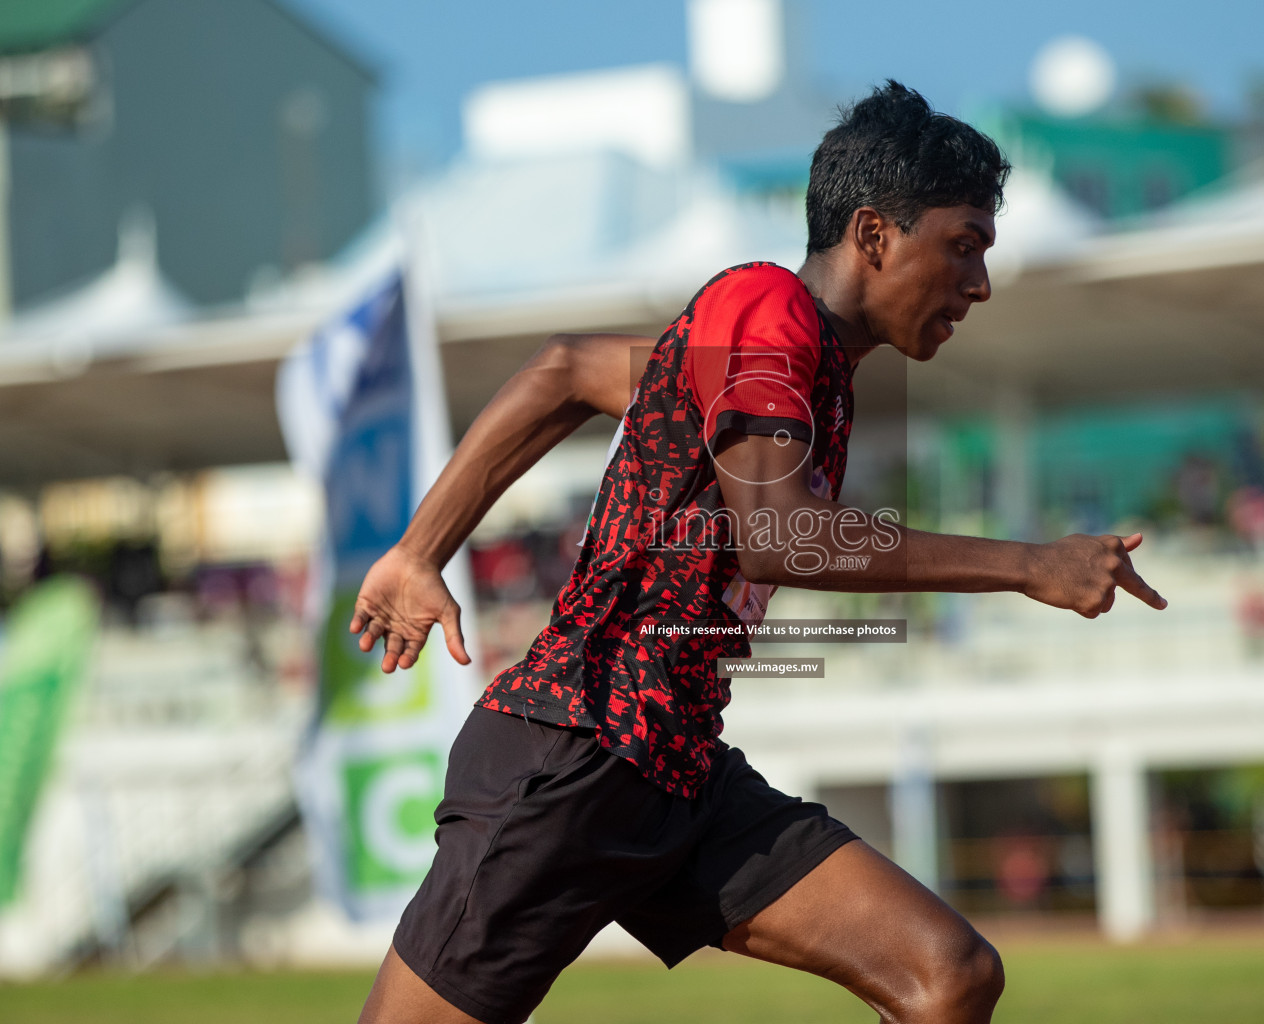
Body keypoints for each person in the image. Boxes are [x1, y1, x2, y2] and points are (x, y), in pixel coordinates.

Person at [350, 81, 1167, 1024]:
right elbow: (779, 535)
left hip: (676, 773)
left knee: (948, 976)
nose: (978, 284)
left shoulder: (787, 356)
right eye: (963, 247)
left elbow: (567, 369)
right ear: (873, 235)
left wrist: (421, 552)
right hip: (569, 757)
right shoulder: (761, 306)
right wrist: (1030, 565)